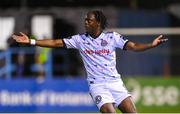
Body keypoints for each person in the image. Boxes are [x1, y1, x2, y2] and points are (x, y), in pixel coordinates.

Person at [12, 10, 168, 113]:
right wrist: (31, 41)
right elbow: (56, 43)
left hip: (115, 83)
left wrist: (151, 45)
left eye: (89, 20)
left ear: (98, 23)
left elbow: (133, 46)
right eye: (85, 20)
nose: (86, 22)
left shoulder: (112, 37)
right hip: (97, 85)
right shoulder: (80, 40)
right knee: (109, 112)